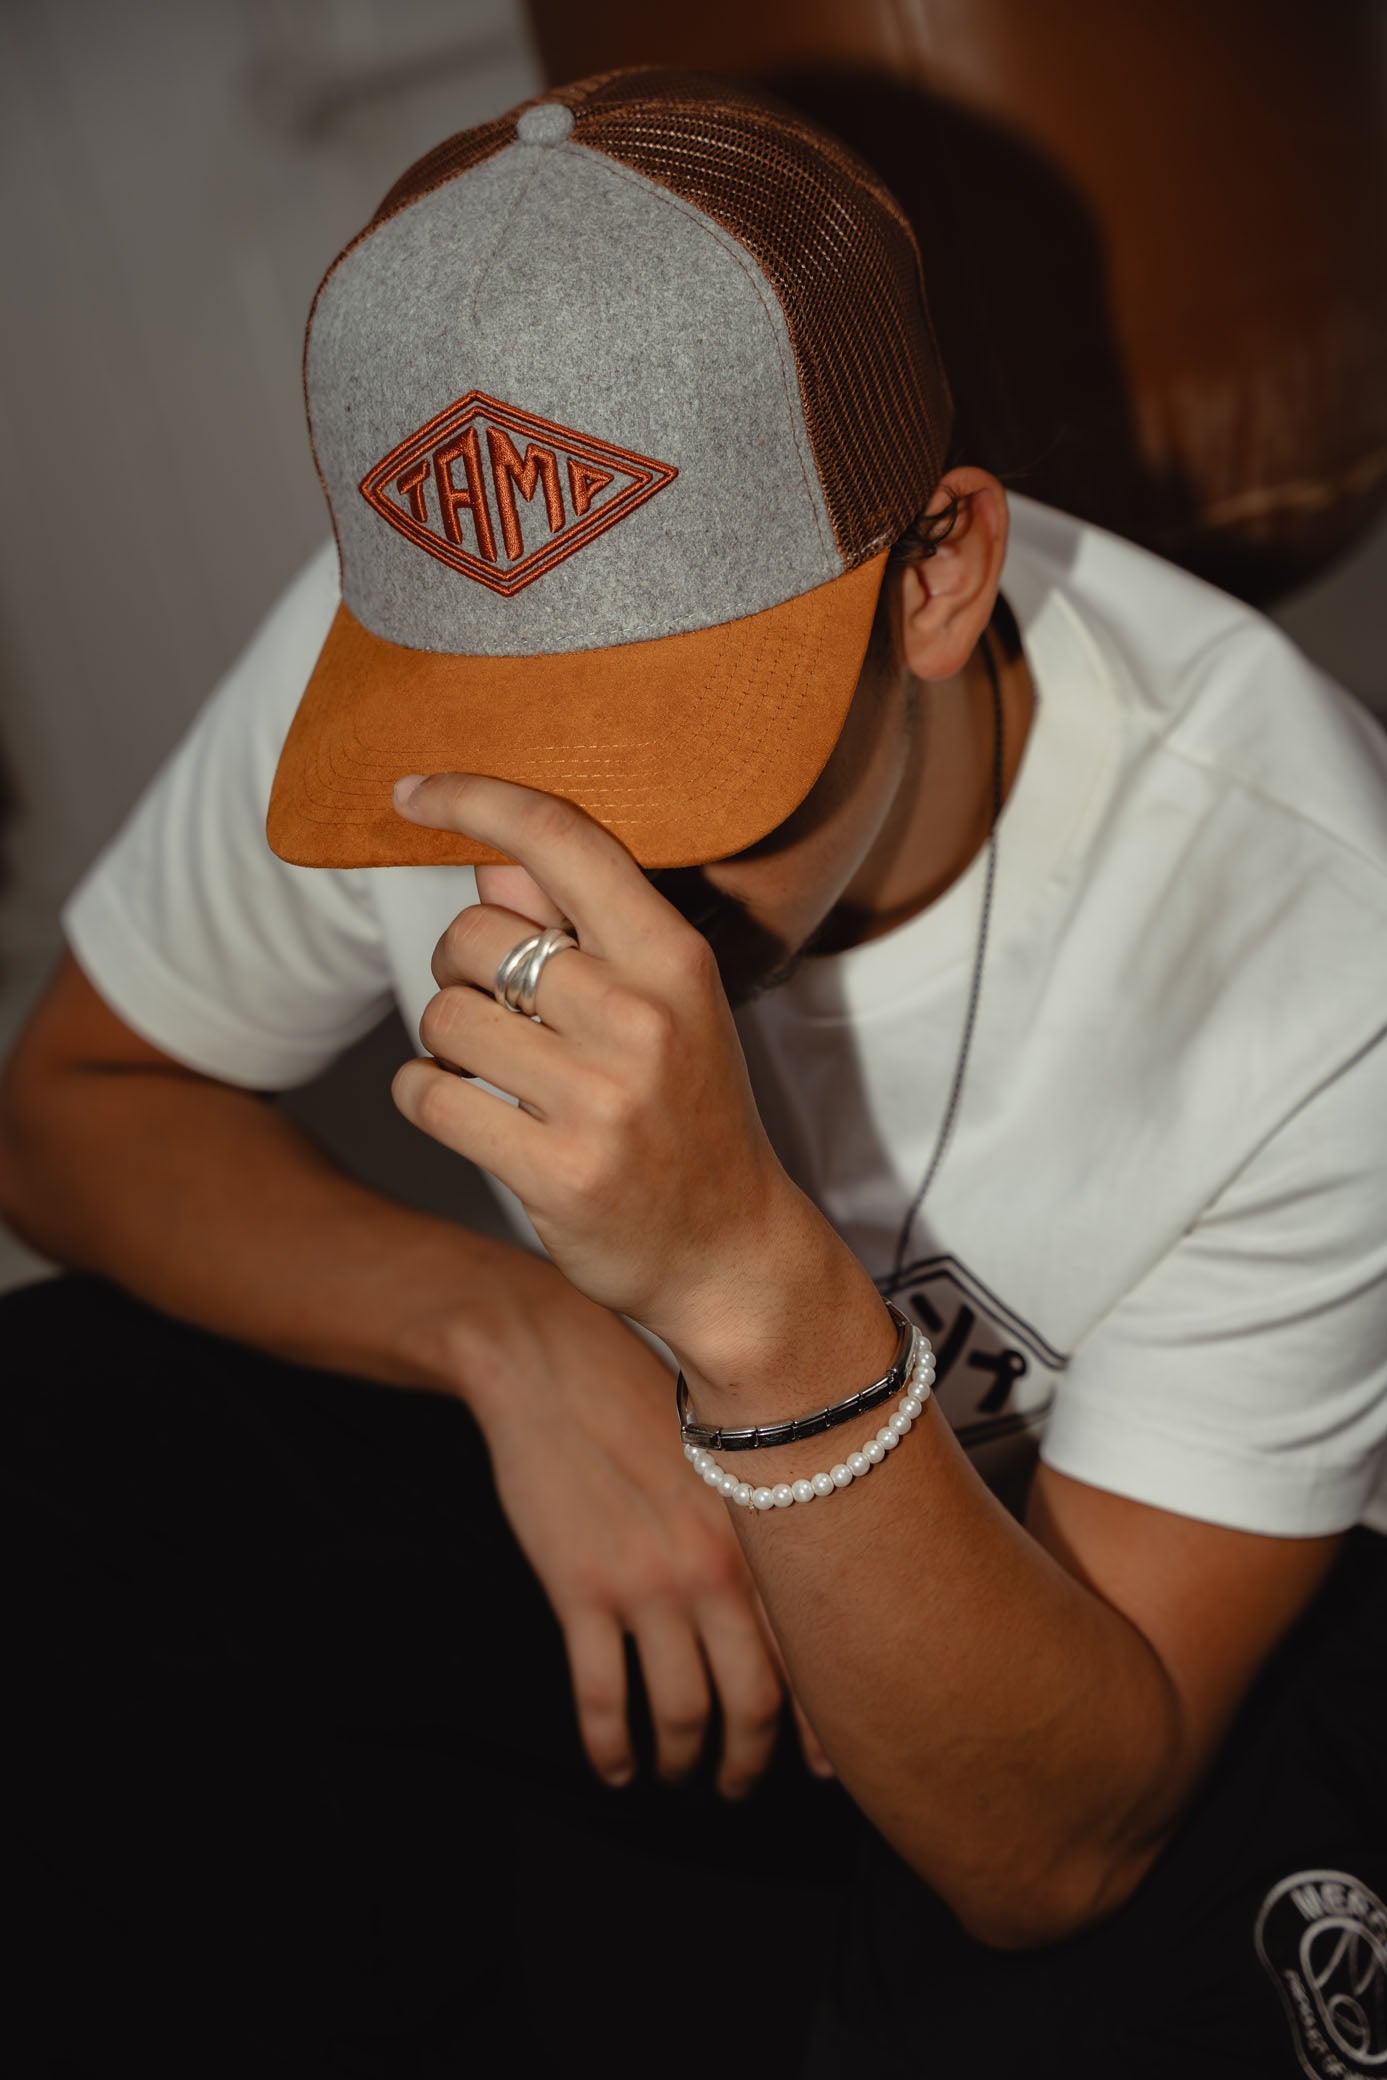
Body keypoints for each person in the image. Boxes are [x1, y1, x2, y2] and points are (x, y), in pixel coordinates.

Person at [3, 66, 1386, 2080]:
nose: (580, 873)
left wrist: (743, 1297)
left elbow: (1055, 1844)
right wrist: (504, 1332)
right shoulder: (391, 649)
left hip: (1117, 1644)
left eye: (670, 757)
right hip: (658, 1551)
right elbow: (66, 1107)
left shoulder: (1312, 932)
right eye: (511, 746)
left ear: (933, 574)